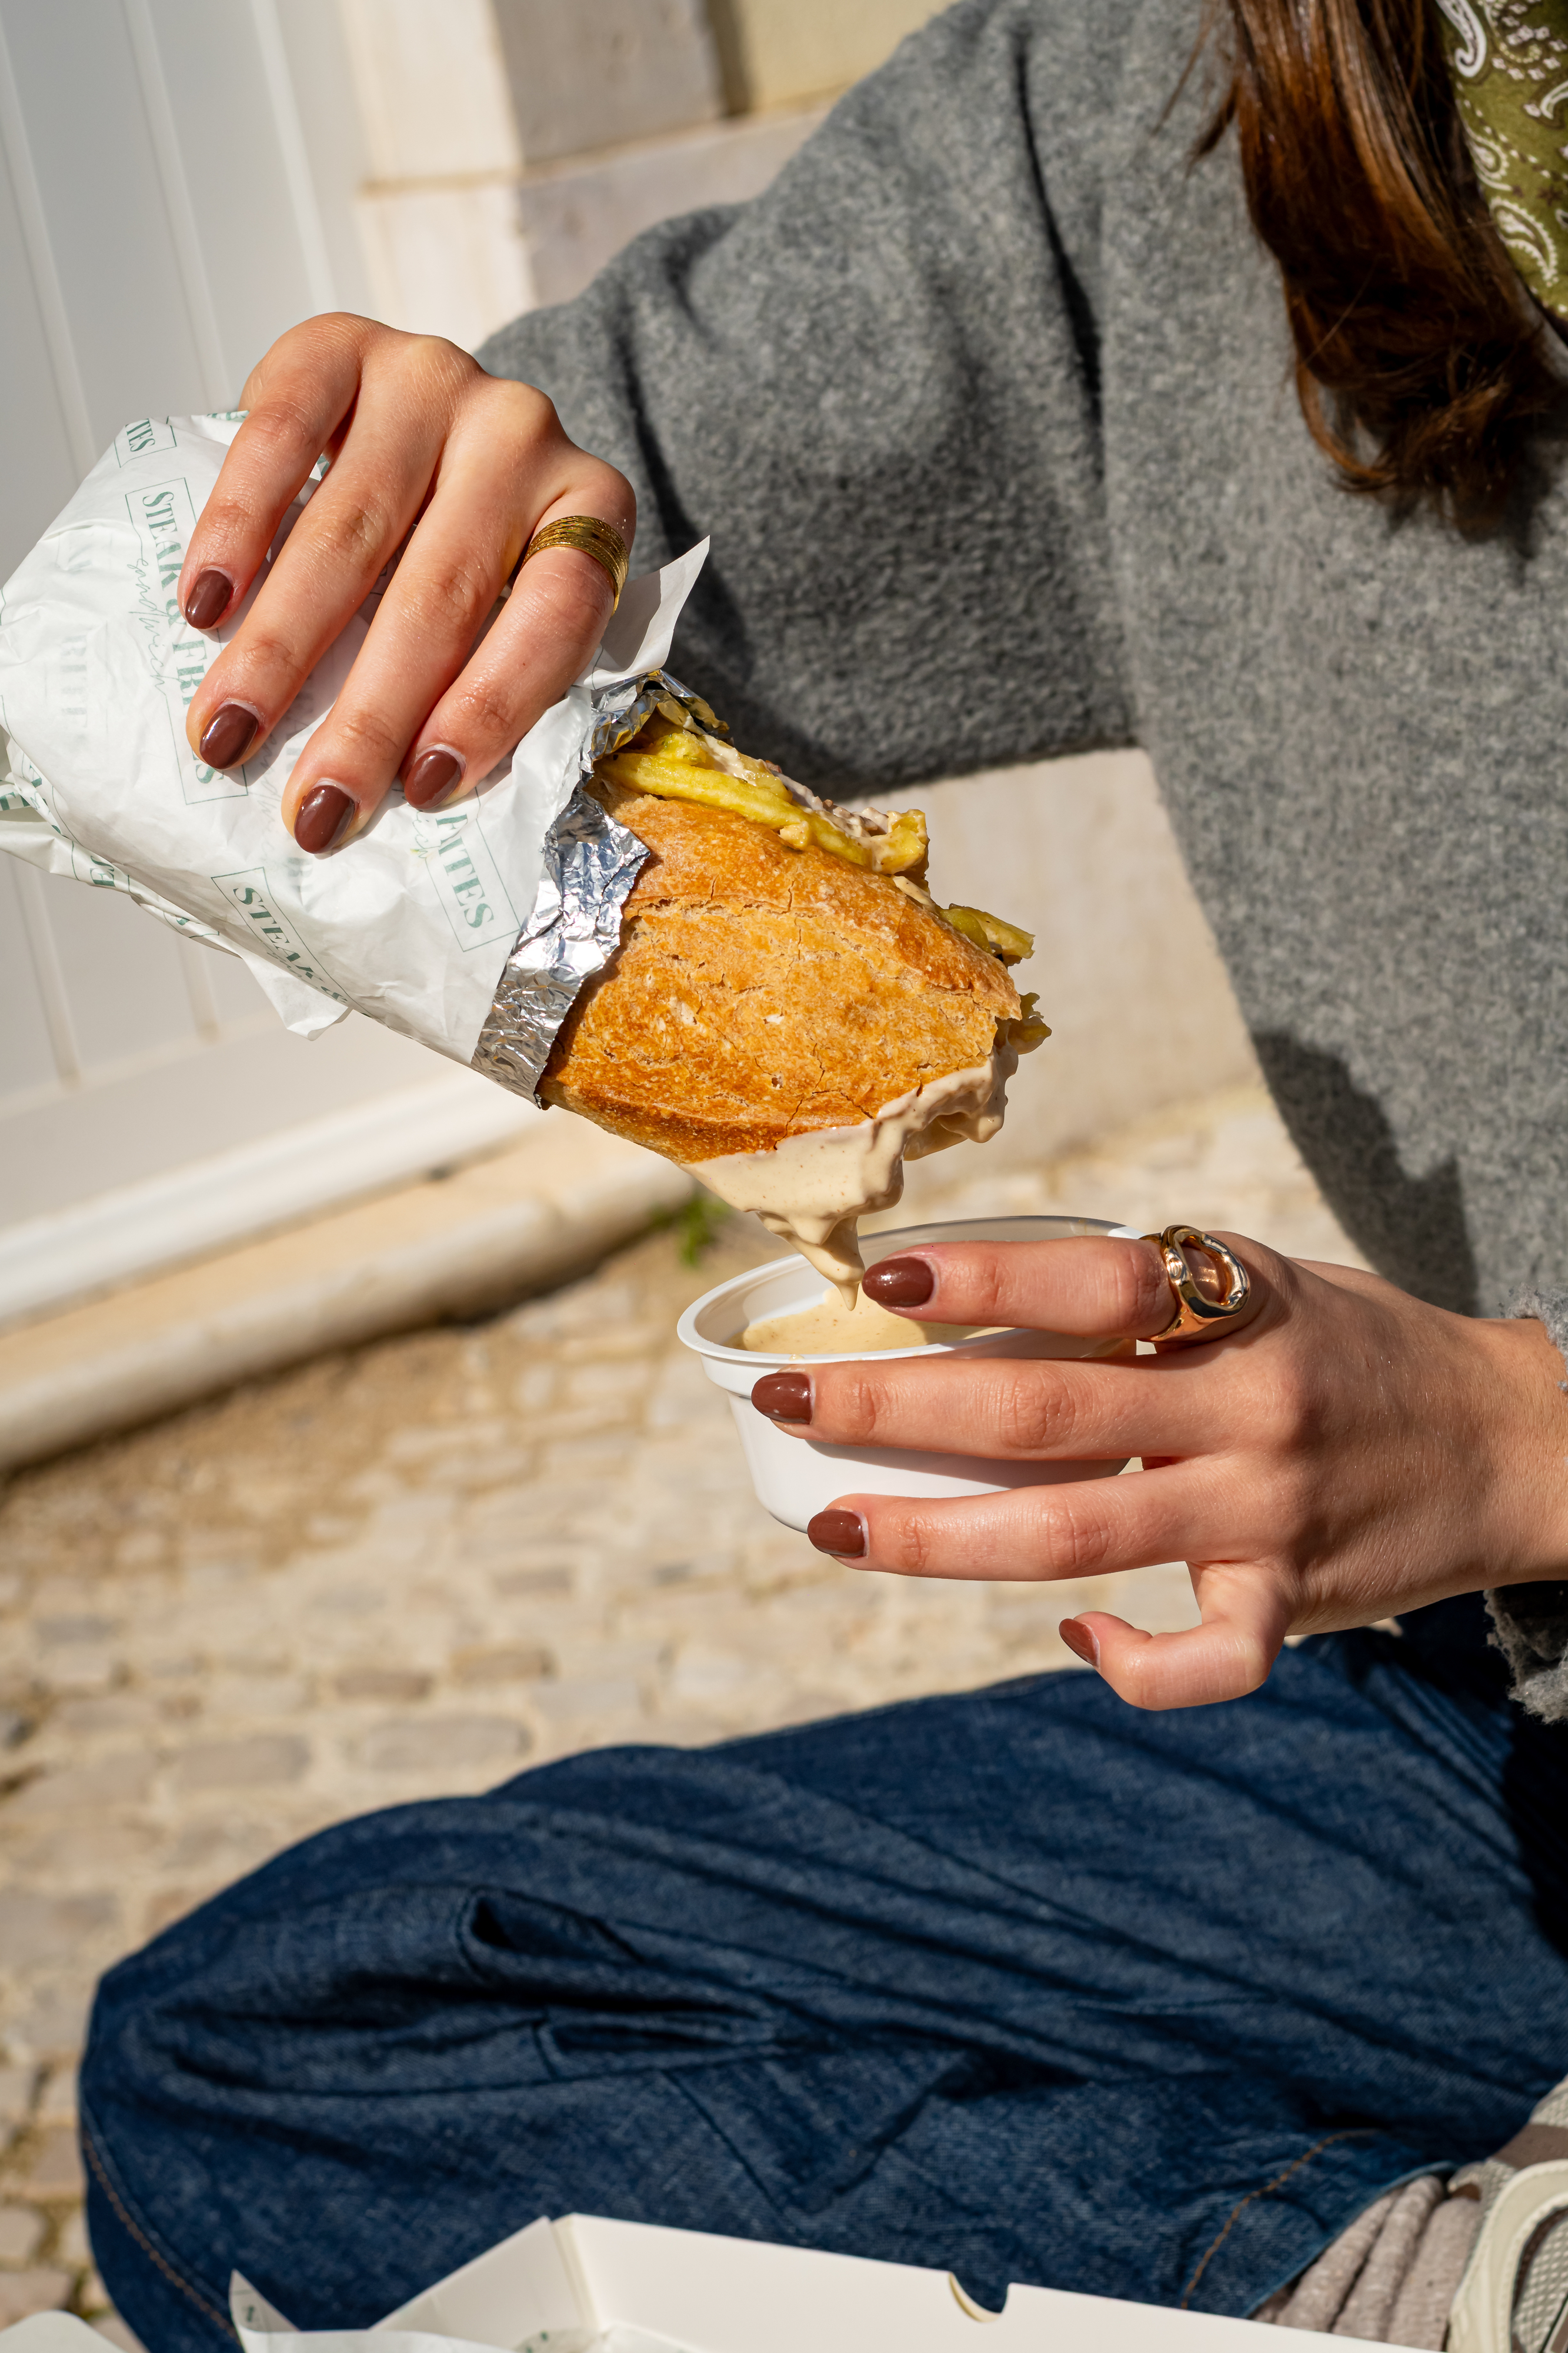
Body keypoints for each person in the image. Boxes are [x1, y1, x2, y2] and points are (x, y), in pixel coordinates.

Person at [78, 0, 1568, 2345]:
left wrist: (1525, 1432)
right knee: (293, 2041)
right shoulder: (1194, 106)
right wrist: (407, 533)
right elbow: (560, 539)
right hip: (1507, 1757)